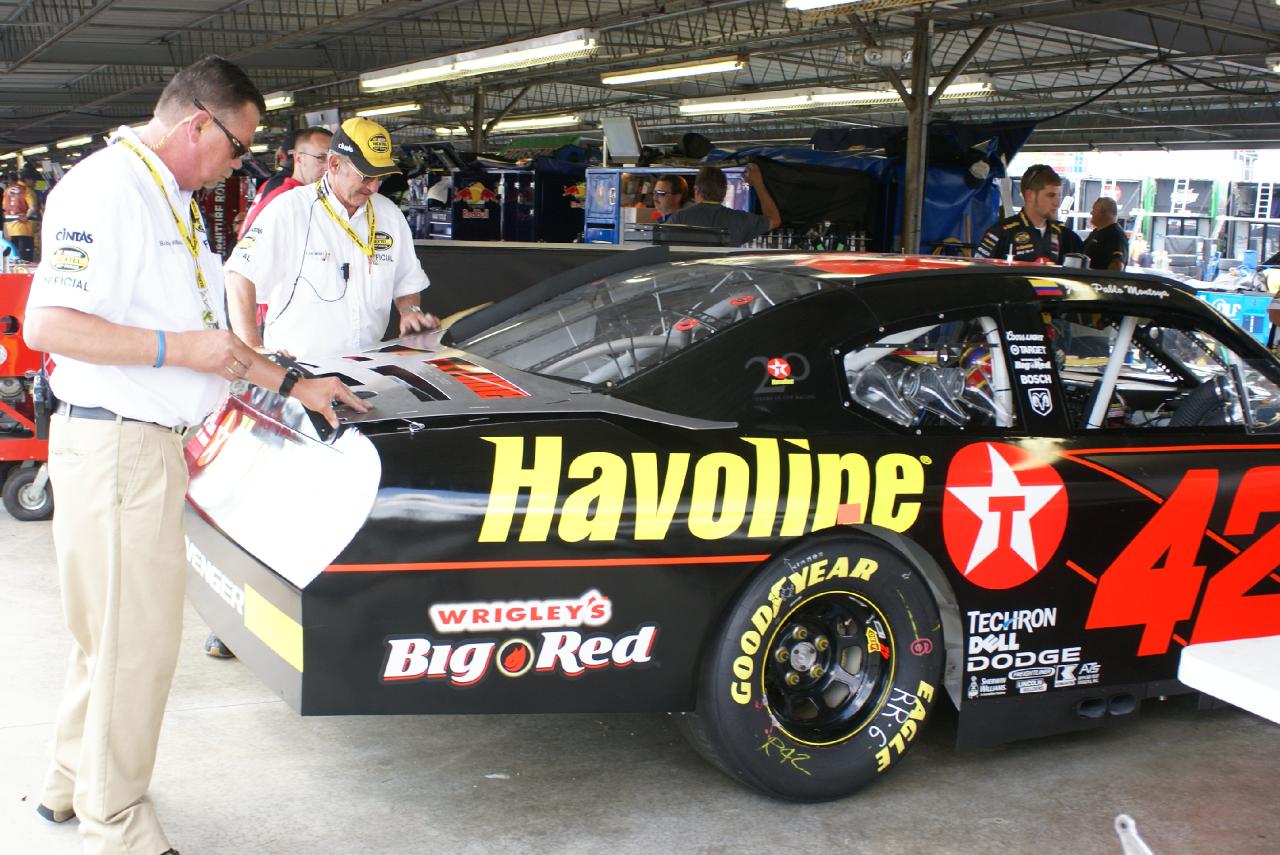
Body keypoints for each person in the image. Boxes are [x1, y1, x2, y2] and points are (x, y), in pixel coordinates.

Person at [23, 55, 367, 855]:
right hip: (118, 447)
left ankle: (70, 783)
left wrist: (296, 385)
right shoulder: (107, 190)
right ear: (196, 124)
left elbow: (216, 342)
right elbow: (50, 325)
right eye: (238, 147)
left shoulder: (171, 200)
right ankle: (116, 822)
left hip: (142, 447)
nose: (239, 165)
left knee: (108, 634)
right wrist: (178, 350)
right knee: (135, 646)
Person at [224, 116, 439, 356]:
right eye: (366, 176)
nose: (374, 187)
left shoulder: (389, 215)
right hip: (300, 369)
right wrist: (253, 350)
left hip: (367, 367)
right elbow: (239, 275)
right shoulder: (289, 209)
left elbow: (406, 280)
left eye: (380, 177)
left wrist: (410, 312)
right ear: (335, 164)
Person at [975, 164, 1084, 263]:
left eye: (1058, 195)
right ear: (1030, 195)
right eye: (1051, 195)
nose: (1057, 203)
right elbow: (978, 271)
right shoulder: (1001, 232)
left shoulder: (1064, 235)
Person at [237, 126, 332, 239]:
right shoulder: (285, 196)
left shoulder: (296, 191)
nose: (329, 167)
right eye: (320, 158)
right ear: (299, 158)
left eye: (333, 159)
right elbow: (252, 242)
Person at [664, 164, 781, 246]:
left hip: (686, 274)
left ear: (697, 190)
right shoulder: (739, 220)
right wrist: (758, 184)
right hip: (725, 275)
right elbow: (775, 220)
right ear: (724, 192)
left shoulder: (677, 219)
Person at [1082, 196, 1129, 271]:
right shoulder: (1096, 232)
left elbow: (1118, 265)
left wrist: (1099, 277)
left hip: (1096, 279)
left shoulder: (1116, 235)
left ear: (1103, 212)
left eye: (1094, 209)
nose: (1091, 213)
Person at [3, 168, 39, 262]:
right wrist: (26, 216)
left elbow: (4, 209)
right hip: (24, 229)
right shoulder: (27, 191)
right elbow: (33, 208)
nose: (35, 184)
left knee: (14, 258)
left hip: (10, 230)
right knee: (25, 260)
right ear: (27, 179)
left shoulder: (7, 191)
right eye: (34, 181)